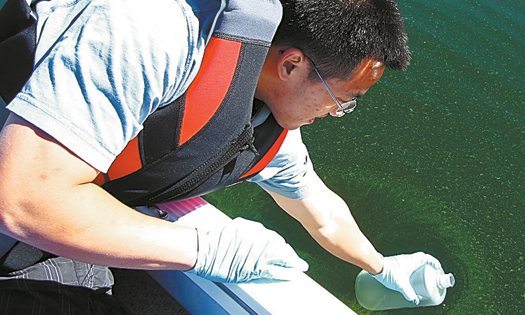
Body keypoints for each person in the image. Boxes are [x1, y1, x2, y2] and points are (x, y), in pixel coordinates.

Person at [0, 0, 441, 311]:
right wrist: (206, 250)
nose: (339, 113)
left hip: (45, 235)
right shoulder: (146, 32)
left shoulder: (263, 115)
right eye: (343, 99)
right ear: (291, 65)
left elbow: (321, 210)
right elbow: (26, 200)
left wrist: (382, 266)